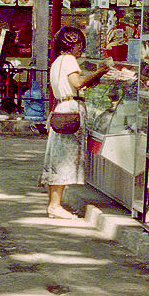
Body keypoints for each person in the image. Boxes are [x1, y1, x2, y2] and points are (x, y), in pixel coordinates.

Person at [43, 26, 109, 219]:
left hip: (61, 109)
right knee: (63, 160)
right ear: (72, 44)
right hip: (70, 110)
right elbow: (78, 83)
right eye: (79, 44)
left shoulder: (57, 62)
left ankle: (53, 204)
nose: (81, 48)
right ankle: (55, 206)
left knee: (57, 158)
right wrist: (99, 73)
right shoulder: (70, 60)